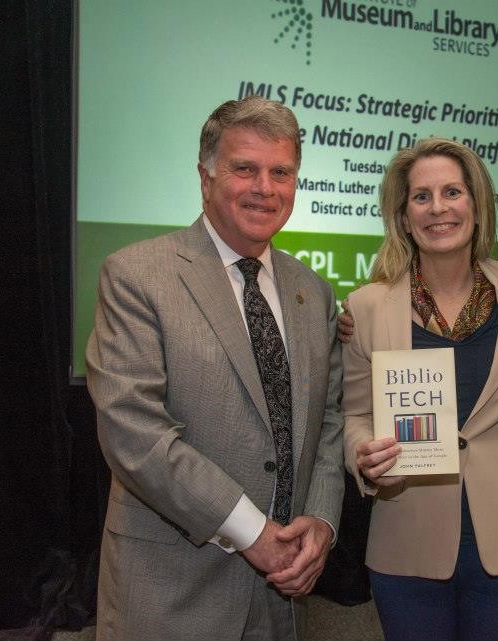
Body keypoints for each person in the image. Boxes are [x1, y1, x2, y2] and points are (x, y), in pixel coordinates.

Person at [86, 96, 343, 641]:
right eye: (243, 168)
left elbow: (330, 424)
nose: (264, 187)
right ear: (205, 177)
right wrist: (252, 532)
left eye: (281, 172)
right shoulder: (137, 276)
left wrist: (321, 521)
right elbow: (135, 433)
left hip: (286, 592)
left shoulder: (313, 292)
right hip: (171, 587)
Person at [341, 138, 498, 641]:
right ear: (403, 215)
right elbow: (354, 415)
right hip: (406, 538)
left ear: (477, 204)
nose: (438, 208)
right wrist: (361, 452)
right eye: (421, 197)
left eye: (452, 192)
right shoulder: (367, 306)